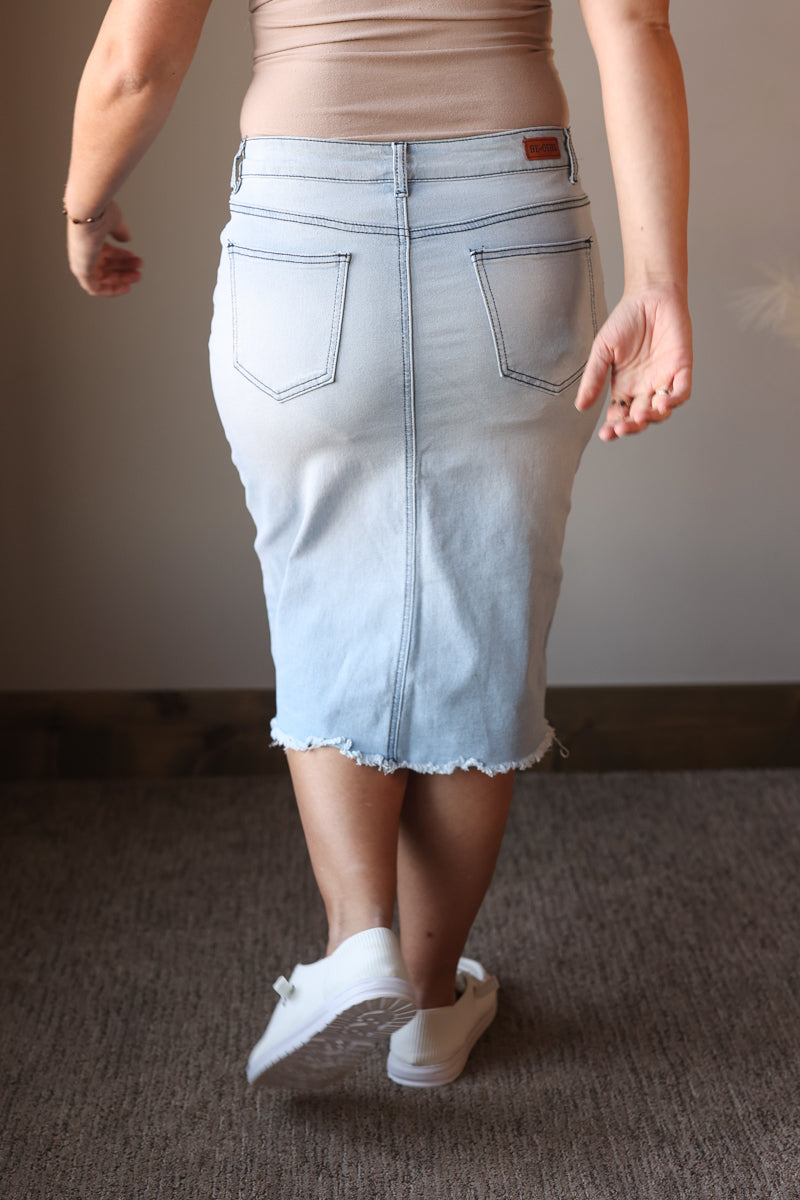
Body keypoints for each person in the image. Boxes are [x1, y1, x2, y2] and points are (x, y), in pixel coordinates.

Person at [64, 0, 692, 1090]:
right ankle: (431, 1009)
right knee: (484, 612)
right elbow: (632, 22)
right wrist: (659, 283)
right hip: (514, 216)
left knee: (323, 590)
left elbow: (133, 58)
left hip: (303, 215)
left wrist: (84, 204)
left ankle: (356, 941)